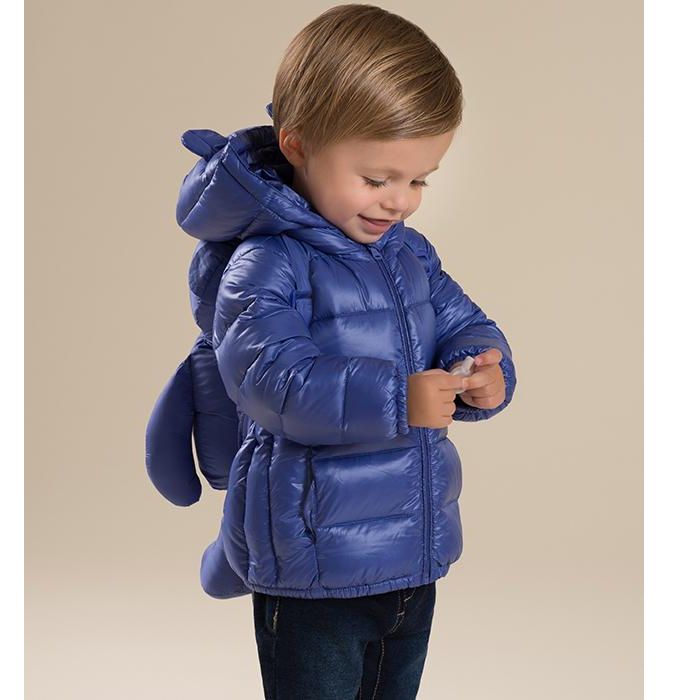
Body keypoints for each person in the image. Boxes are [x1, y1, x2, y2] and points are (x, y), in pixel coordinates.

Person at [174, 5, 517, 698]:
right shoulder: (266, 264)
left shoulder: (408, 254)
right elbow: (271, 380)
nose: (400, 202)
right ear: (298, 145)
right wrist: (398, 399)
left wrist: (487, 366)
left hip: (411, 550)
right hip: (313, 563)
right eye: (377, 179)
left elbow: (463, 322)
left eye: (419, 180)